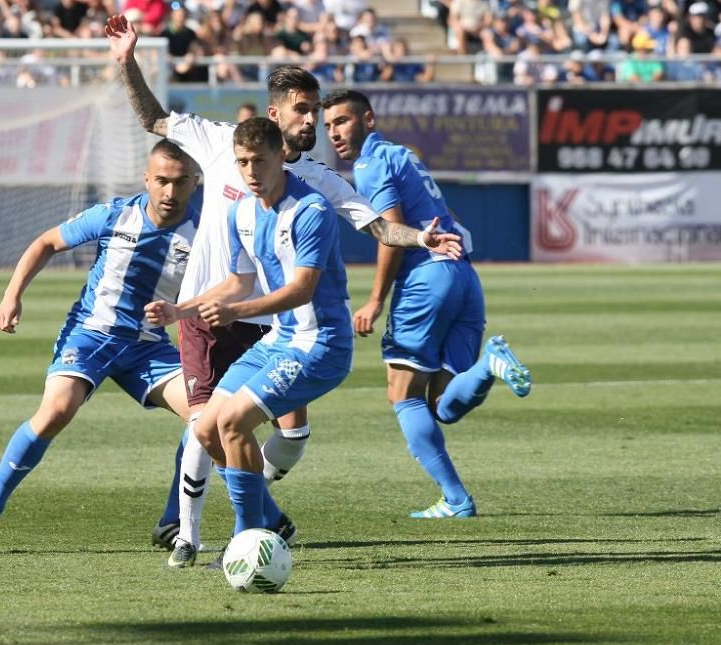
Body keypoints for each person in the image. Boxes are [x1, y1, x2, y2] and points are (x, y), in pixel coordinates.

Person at [106, 14, 463, 567]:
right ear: (274, 115)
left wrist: (420, 236)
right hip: (210, 308)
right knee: (209, 423)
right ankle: (187, 530)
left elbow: (374, 227)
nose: (313, 120)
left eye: (316, 110)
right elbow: (154, 118)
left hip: (275, 323)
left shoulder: (317, 185)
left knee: (285, 436)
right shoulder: (224, 144)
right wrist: (127, 62)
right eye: (303, 109)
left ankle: (257, 516)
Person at [0, 140, 201, 552]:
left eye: (179, 183)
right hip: (91, 335)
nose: (169, 192)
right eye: (161, 181)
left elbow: (222, 293)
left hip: (146, 346)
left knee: (205, 418)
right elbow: (46, 243)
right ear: (147, 178)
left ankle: (172, 519)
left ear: (195, 183)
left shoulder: (205, 232)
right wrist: (11, 296)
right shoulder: (115, 213)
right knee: (55, 411)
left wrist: (181, 311)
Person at [322, 89, 532, 519]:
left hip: (425, 280)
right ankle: (488, 366)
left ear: (368, 120)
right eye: (328, 125)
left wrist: (376, 299)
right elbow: (442, 209)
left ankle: (455, 499)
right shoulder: (404, 155)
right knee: (442, 405)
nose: (334, 132)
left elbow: (391, 232)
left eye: (342, 121)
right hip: (462, 277)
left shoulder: (371, 164)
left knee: (403, 395)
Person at [145, 117, 352, 550]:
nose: (251, 172)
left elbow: (301, 290)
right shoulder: (242, 212)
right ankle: (264, 523)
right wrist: (179, 309)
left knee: (235, 423)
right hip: (280, 341)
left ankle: (249, 538)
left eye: (259, 160)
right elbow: (237, 281)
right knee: (206, 430)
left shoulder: (310, 210)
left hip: (320, 344)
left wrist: (233, 311)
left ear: (280, 155)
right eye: (242, 162)